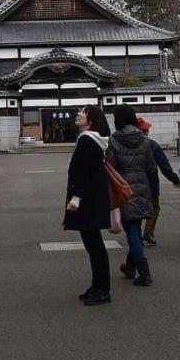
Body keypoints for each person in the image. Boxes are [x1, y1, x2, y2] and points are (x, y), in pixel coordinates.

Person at [64, 105, 113, 306]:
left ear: (91, 120)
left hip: (87, 201)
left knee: (94, 246)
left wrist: (76, 198)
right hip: (94, 198)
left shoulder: (86, 141)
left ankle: (102, 289)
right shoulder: (94, 141)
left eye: (82, 112)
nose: (78, 114)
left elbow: (83, 173)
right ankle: (97, 286)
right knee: (94, 245)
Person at [108, 105, 159, 285]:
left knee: (131, 230)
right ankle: (130, 268)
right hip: (143, 186)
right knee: (135, 227)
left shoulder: (113, 141)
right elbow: (151, 167)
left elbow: (110, 168)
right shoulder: (144, 139)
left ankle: (145, 274)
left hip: (124, 188)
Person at [136, 118, 180, 246]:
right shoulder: (152, 145)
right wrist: (174, 178)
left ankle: (136, 235)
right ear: (146, 131)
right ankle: (148, 231)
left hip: (130, 182)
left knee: (135, 208)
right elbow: (164, 165)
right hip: (150, 182)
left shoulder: (123, 143)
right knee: (153, 207)